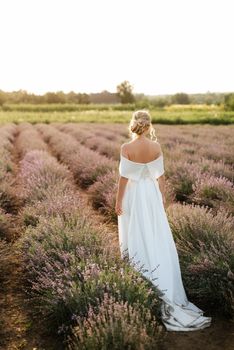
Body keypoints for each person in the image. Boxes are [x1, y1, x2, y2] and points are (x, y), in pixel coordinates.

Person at [115, 110, 212, 331]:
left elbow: (123, 179)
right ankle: (162, 278)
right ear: (149, 126)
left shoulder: (126, 148)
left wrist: (118, 202)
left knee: (135, 234)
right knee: (157, 235)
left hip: (134, 196)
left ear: (133, 125)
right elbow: (161, 178)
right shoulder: (156, 147)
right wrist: (161, 201)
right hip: (151, 196)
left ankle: (140, 279)